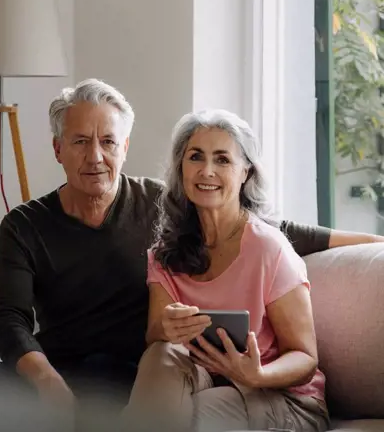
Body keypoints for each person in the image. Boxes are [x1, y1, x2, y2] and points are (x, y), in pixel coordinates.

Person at [0, 79, 383, 412]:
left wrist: (371, 241)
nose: (96, 156)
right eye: (81, 142)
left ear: (125, 147)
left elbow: (267, 227)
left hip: (133, 368)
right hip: (62, 363)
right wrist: (46, 380)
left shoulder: (163, 204)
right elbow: (9, 320)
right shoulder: (24, 225)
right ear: (57, 149)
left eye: (107, 141)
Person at [125, 109, 331, 432]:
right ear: (182, 168)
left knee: (187, 417)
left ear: (245, 172)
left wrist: (257, 375)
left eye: (222, 160)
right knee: (160, 357)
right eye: (196, 157)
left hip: (281, 396)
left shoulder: (269, 249)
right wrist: (164, 328)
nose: (207, 171)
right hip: (207, 380)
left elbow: (305, 358)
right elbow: (155, 337)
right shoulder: (166, 253)